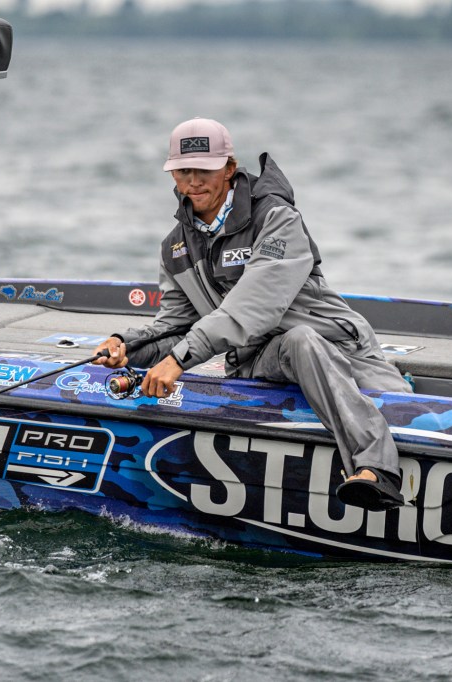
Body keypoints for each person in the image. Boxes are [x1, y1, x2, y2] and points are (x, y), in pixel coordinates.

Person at [92, 117, 413, 511]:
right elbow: (176, 326)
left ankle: (378, 472)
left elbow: (253, 307)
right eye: (183, 171)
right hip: (260, 360)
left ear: (229, 168)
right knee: (294, 344)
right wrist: (128, 347)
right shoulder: (175, 247)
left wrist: (178, 361)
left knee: (407, 412)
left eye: (205, 169)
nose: (193, 181)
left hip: (339, 348)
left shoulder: (276, 218)